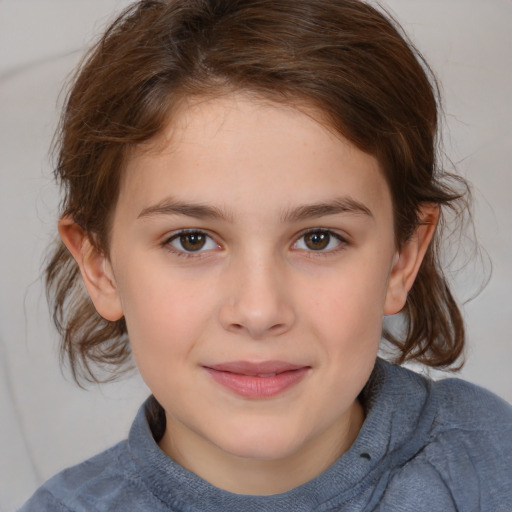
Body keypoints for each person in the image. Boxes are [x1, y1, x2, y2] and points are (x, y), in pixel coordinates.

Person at [20, 0, 512, 510]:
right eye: (191, 240)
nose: (259, 312)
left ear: (402, 257)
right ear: (100, 266)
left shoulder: (490, 465)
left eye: (319, 239)